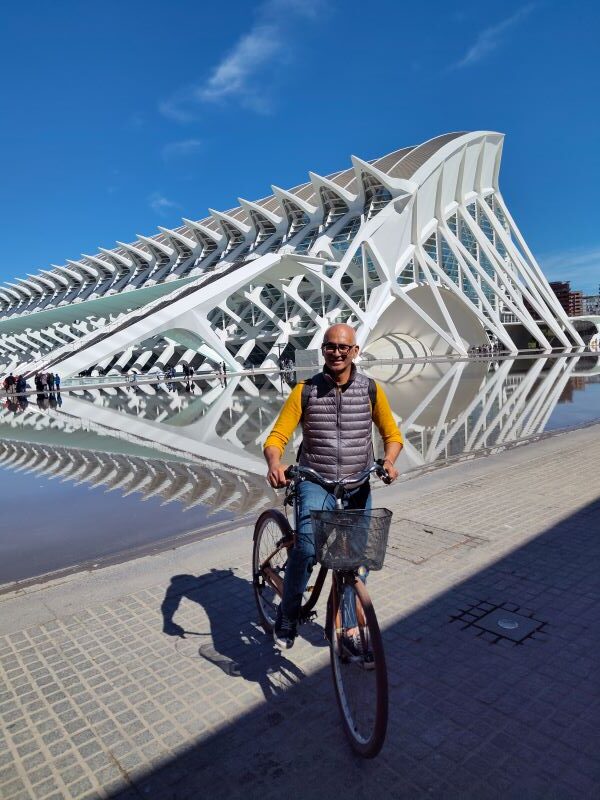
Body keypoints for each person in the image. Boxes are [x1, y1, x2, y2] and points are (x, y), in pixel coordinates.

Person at [263, 323, 403, 650]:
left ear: (355, 352)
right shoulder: (305, 391)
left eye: (344, 347)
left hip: (357, 484)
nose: (337, 352)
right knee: (308, 549)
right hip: (315, 480)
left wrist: (389, 461)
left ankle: (348, 627)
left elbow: (392, 436)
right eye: (330, 346)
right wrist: (274, 464)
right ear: (323, 350)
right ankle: (287, 612)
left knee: (355, 559)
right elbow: (277, 437)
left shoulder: (371, 389)